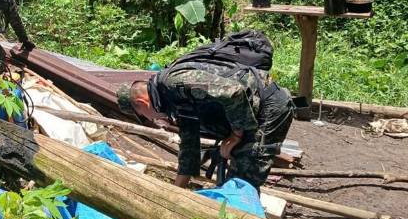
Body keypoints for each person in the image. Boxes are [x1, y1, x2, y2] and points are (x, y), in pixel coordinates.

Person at [116, 30, 294, 190]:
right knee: (232, 183)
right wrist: (176, 192)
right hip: (249, 111)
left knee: (241, 184)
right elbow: (189, 147)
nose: (151, 119)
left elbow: (233, 92)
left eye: (144, 116)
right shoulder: (172, 100)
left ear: (141, 103)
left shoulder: (174, 83)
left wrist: (235, 136)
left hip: (269, 108)